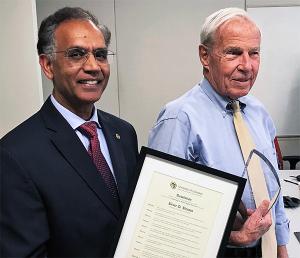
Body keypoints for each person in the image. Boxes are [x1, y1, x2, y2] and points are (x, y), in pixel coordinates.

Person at [149, 7, 289, 258]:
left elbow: (271, 190)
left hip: (264, 249)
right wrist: (236, 237)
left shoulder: (259, 112)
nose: (246, 66)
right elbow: (164, 216)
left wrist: (281, 246)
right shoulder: (179, 119)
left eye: (254, 53)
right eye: (234, 53)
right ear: (205, 55)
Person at [0, 7, 138, 257]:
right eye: (77, 54)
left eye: (100, 54)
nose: (93, 66)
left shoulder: (124, 133)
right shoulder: (14, 155)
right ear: (48, 65)